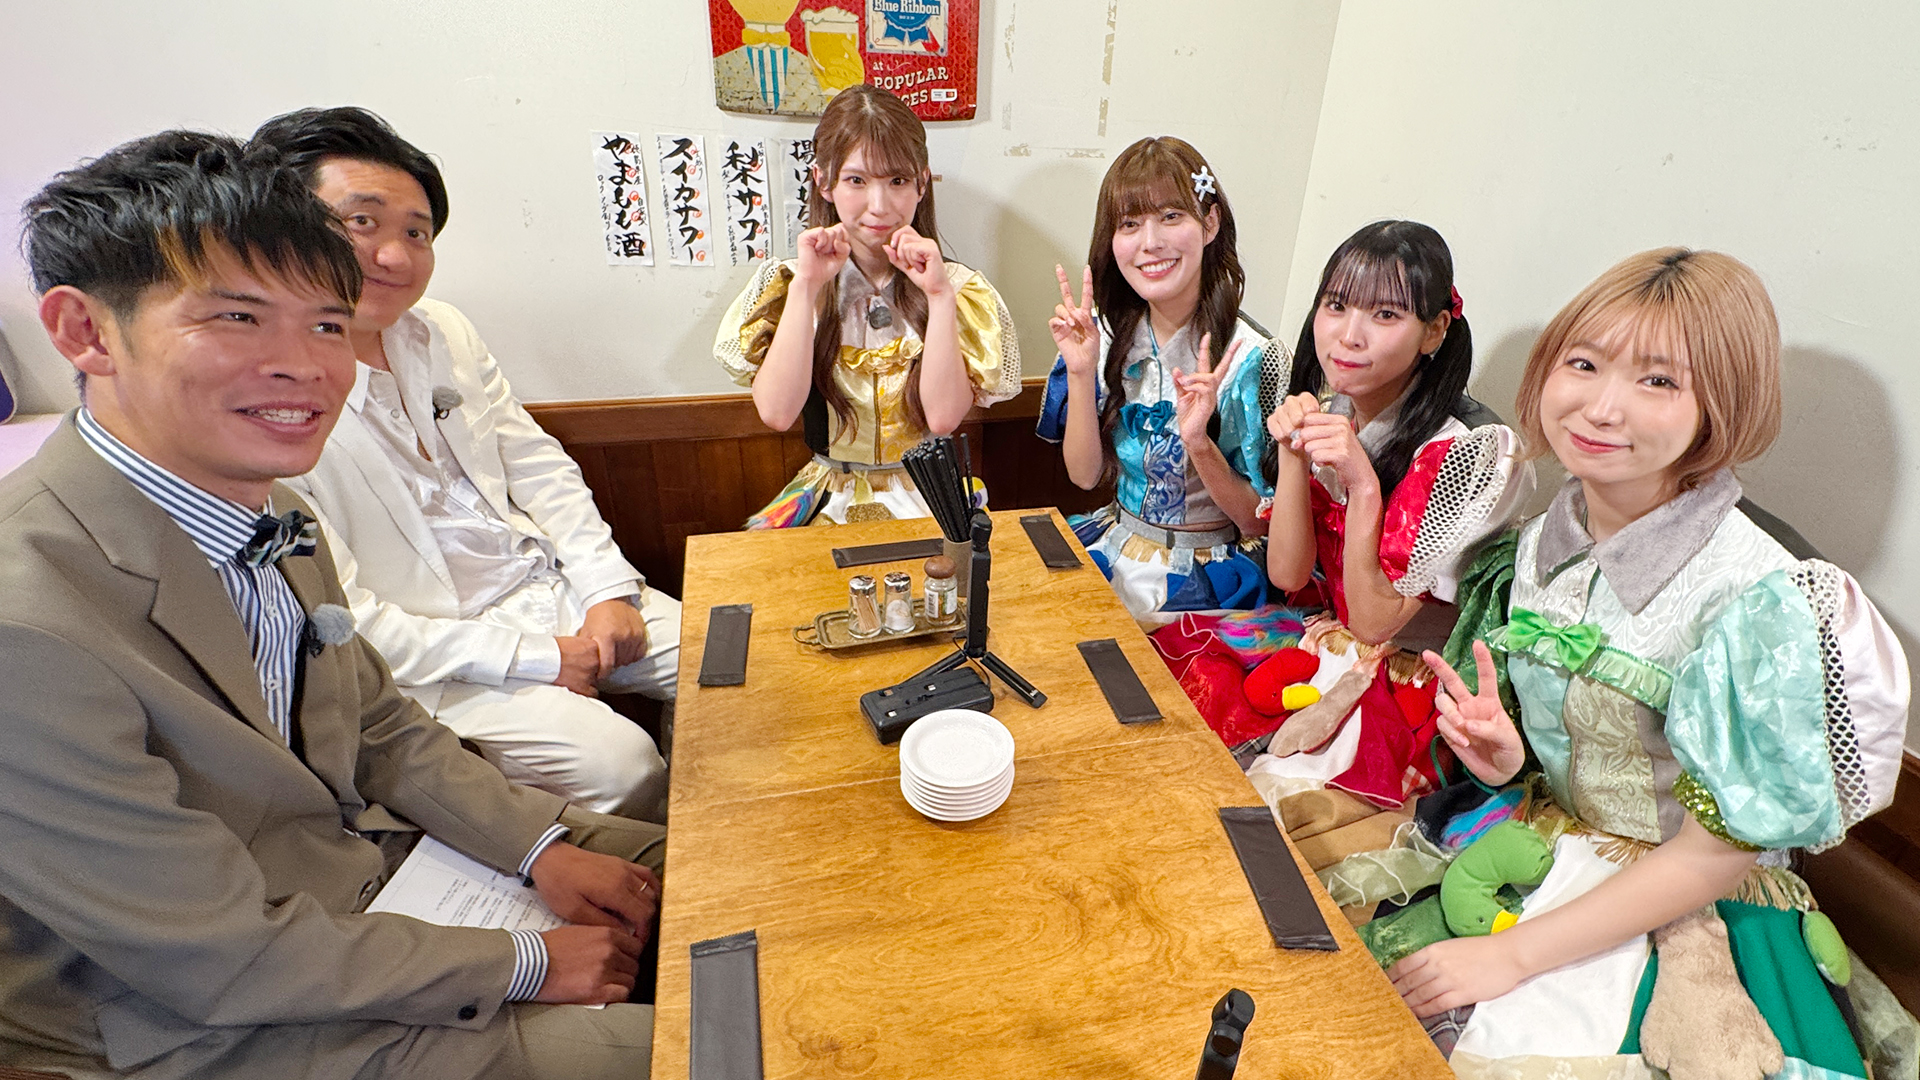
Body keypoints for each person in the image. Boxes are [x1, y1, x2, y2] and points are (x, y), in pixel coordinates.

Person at [2, 130, 666, 1080]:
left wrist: (540, 847)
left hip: (371, 875)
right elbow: (212, 953)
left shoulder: (274, 508)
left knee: (736, 864)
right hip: (199, 1012)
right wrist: (522, 961)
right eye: (236, 317)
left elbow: (381, 726)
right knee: (738, 1041)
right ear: (84, 331)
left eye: (325, 324)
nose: (306, 365)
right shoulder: (24, 623)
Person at [1385, 249, 1909, 1077]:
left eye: (1659, 381)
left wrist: (1512, 955)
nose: (1601, 406)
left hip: (1692, 911)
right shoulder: (1541, 541)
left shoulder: (1762, 598)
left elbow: (1718, 852)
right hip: (1545, 849)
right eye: (1583, 363)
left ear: (1720, 406)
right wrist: (1512, 757)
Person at [251, 107, 673, 821]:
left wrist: (605, 588)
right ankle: (644, 873)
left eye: (416, 232)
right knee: (623, 767)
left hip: (545, 587)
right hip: (439, 656)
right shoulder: (268, 399)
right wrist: (540, 658)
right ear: (281, 228)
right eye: (362, 222)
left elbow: (537, 466)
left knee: (738, 657)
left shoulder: (443, 330)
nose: (395, 256)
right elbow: (341, 619)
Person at [1233, 221, 1533, 807]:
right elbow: (1288, 574)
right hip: (1330, 644)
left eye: (1386, 315)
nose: (1349, 336)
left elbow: (1375, 623)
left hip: (1411, 684)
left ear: (1435, 331)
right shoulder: (1336, 407)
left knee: (1270, 804)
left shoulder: (1468, 452)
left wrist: (1363, 485)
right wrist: (1292, 455)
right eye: (1336, 306)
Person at [713, 83, 1021, 527]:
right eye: (857, 180)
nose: (879, 207)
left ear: (921, 183)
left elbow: (942, 419)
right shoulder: (787, 284)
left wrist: (938, 297)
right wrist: (807, 287)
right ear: (824, 182)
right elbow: (777, 414)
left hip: (929, 494)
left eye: (897, 181)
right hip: (828, 496)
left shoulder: (958, 288)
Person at [1035, 136, 1279, 625]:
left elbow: (1257, 521)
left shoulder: (1253, 356)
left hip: (1211, 574)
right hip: (1115, 548)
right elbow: (1084, 477)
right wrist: (1081, 373)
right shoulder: (1103, 335)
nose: (1150, 242)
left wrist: (1199, 443)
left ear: (1210, 223)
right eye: (1130, 223)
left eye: (1170, 216)